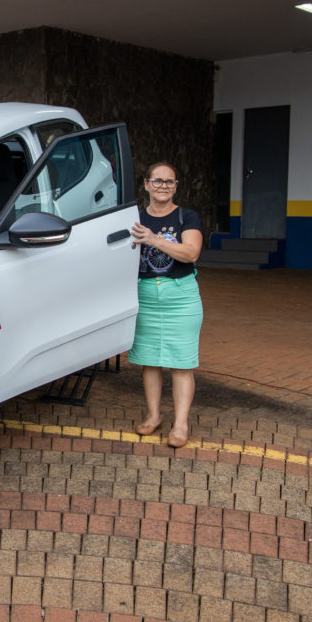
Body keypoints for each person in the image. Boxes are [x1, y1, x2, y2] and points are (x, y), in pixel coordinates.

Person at [128, 162, 203, 448]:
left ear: (176, 186)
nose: (163, 186)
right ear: (146, 184)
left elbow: (191, 252)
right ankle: (153, 416)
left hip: (180, 296)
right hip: (145, 294)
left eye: (169, 182)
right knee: (150, 360)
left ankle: (181, 424)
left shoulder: (186, 217)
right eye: (157, 181)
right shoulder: (134, 218)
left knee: (181, 363)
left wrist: (154, 239)